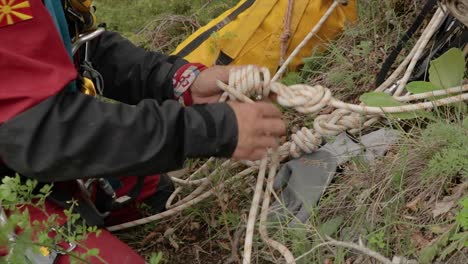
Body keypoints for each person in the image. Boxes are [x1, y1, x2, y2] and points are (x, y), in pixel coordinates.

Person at [0, 0, 286, 262]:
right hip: (22, 165)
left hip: (33, 155)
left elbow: (80, 47)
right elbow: (40, 132)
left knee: (154, 192)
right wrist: (210, 130)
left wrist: (181, 82)